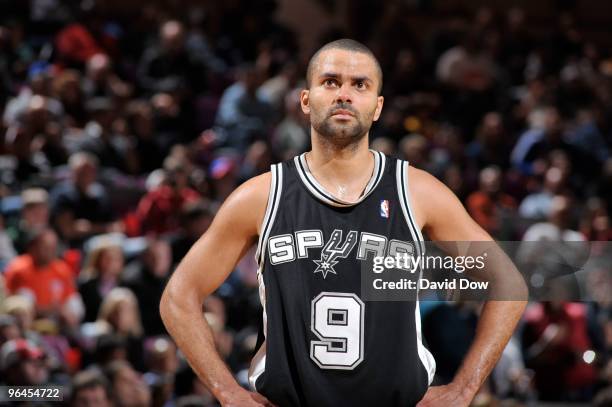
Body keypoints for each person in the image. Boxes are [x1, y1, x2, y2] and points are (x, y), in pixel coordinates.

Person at [161, 39, 527, 407]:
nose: (345, 95)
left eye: (360, 85)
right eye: (331, 82)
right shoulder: (261, 196)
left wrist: (463, 390)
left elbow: (507, 281)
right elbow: (179, 297)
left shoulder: (418, 192)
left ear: (378, 107)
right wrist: (228, 393)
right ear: (306, 100)